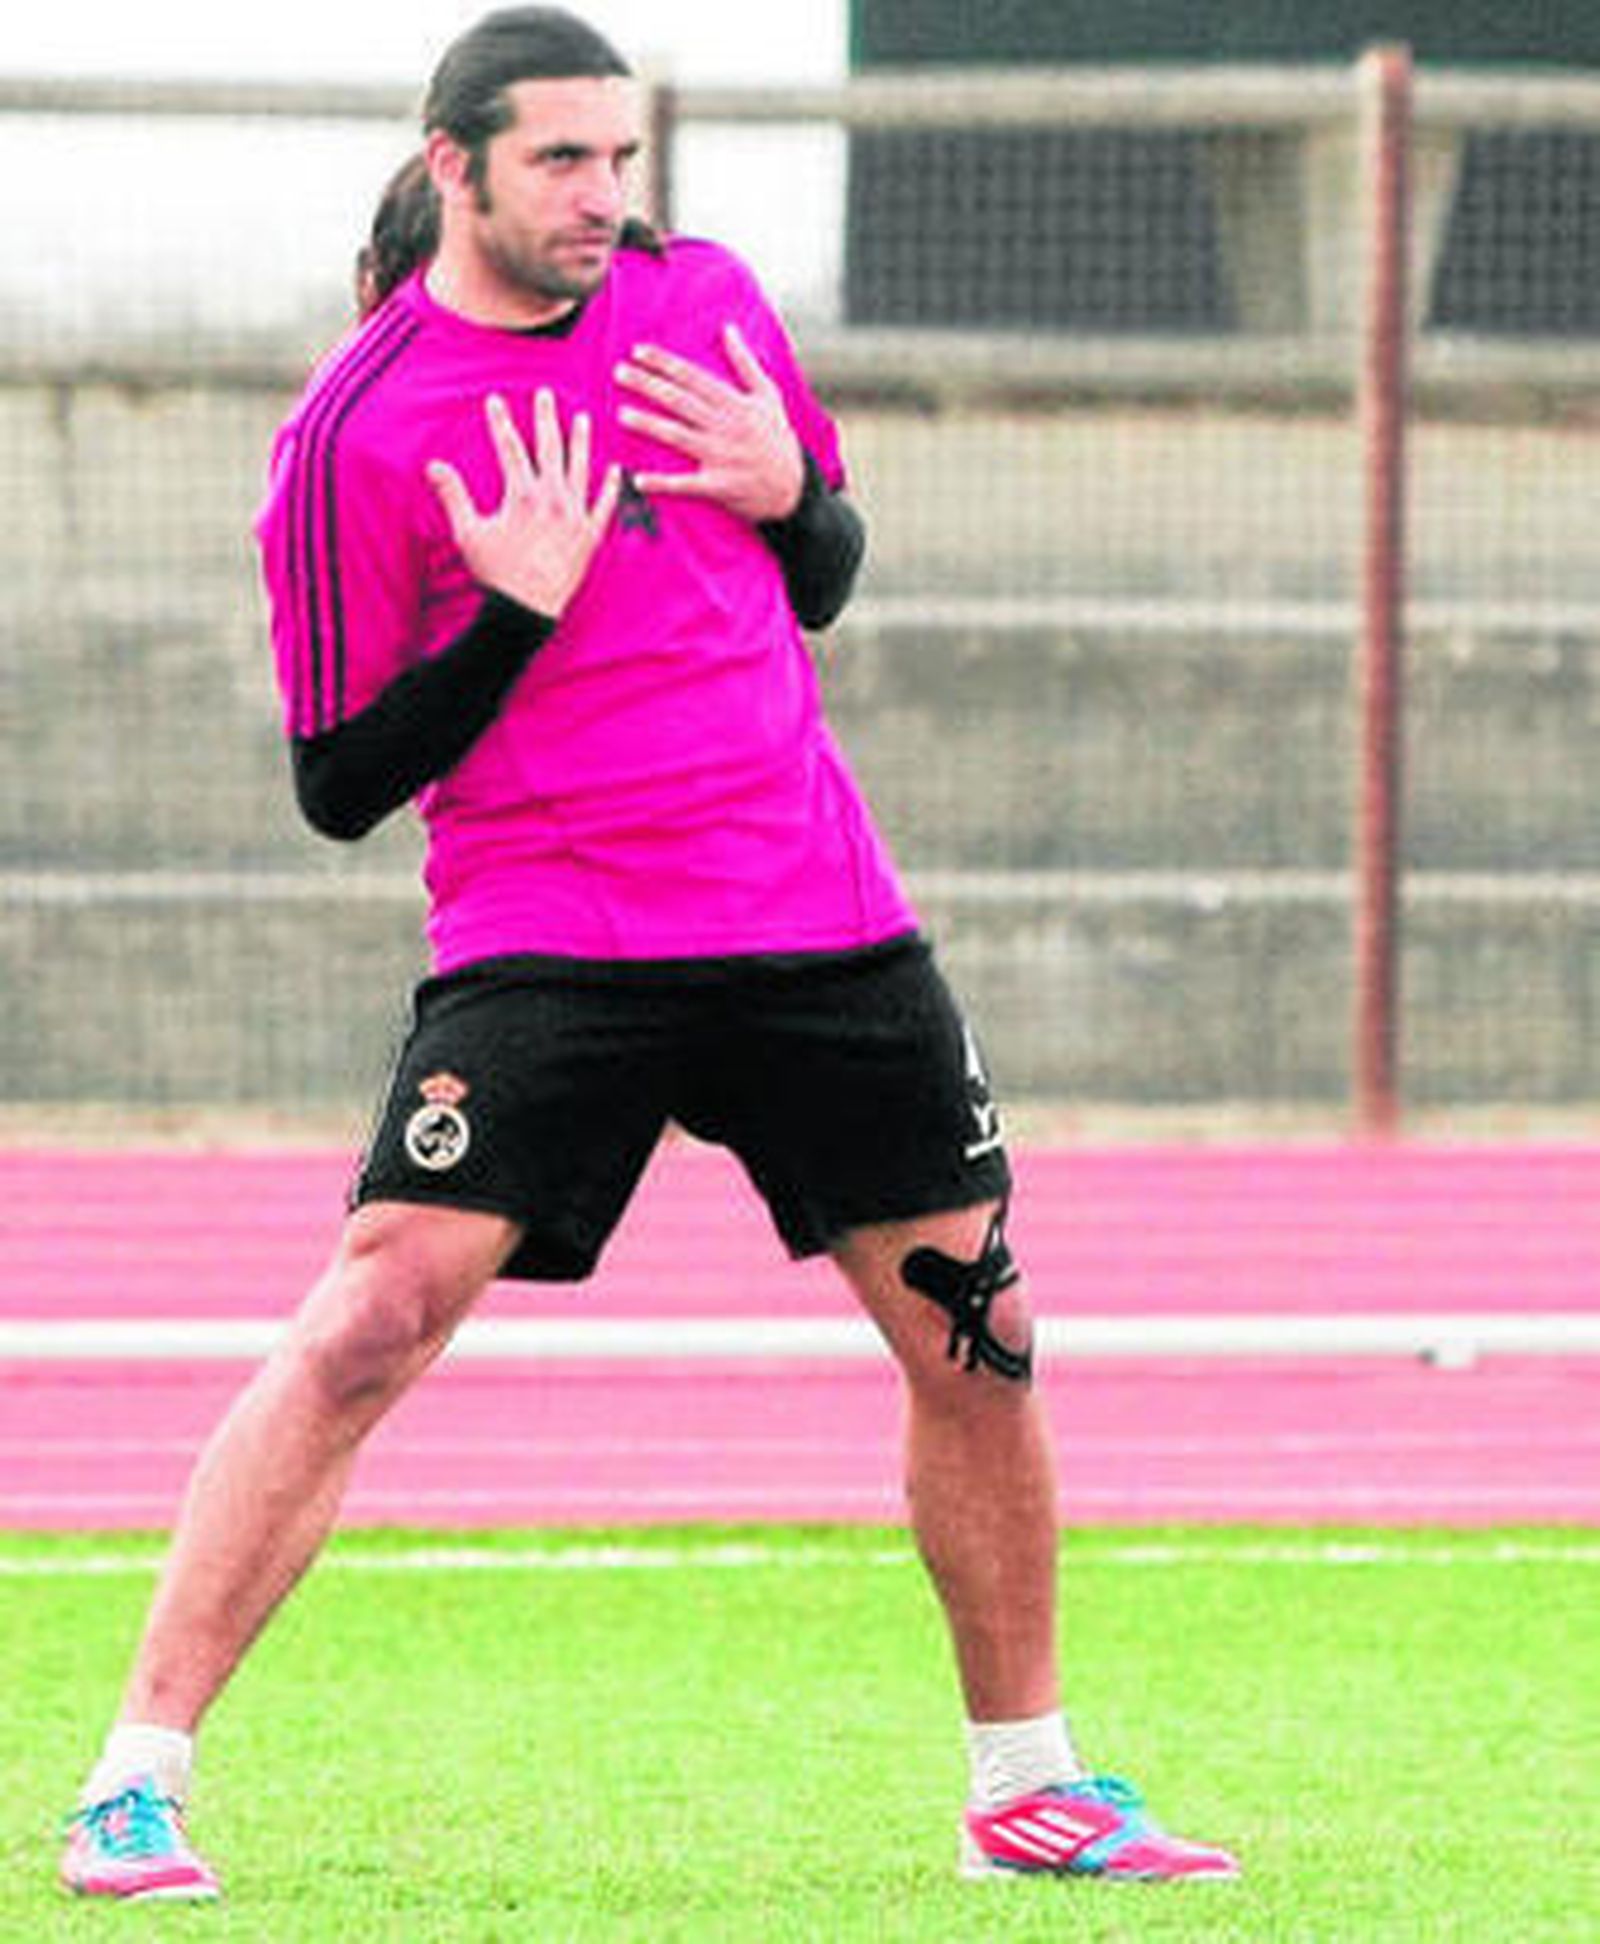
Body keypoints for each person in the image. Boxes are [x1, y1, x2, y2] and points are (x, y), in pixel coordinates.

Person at [60, 5, 1239, 1902]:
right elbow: (341, 781)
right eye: (564, 163)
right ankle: (132, 1783)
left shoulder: (712, 303)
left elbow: (823, 574)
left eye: (626, 158)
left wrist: (800, 497)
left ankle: (1031, 1784)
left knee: (984, 1337)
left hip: (814, 913)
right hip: (556, 937)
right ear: (454, 164)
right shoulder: (353, 436)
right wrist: (514, 618)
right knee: (369, 1322)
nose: (610, 196)